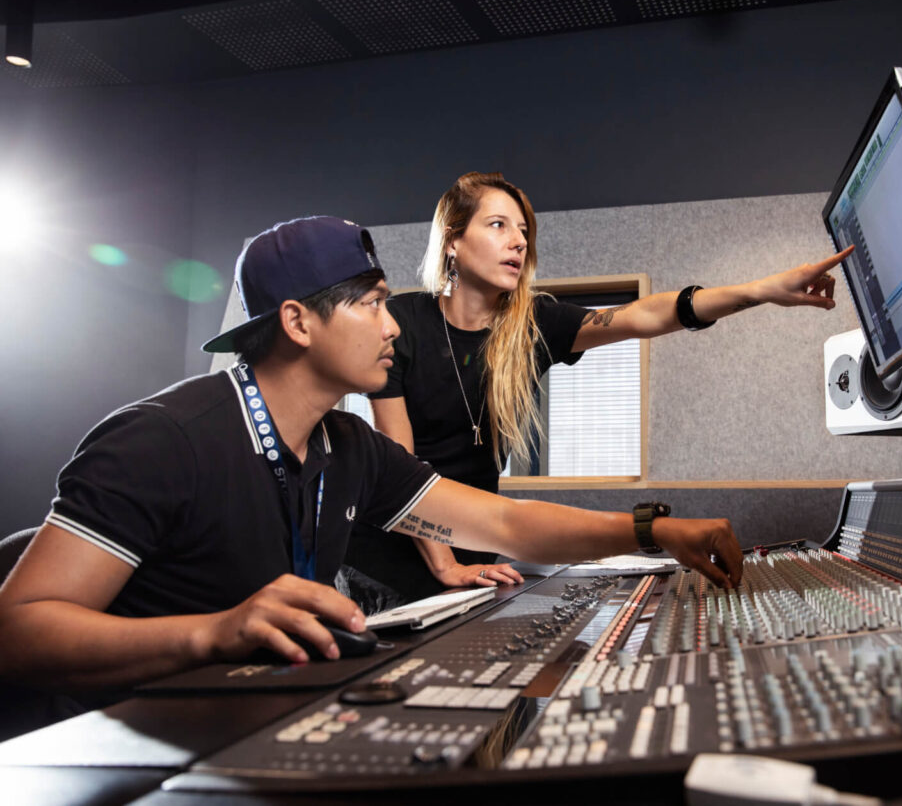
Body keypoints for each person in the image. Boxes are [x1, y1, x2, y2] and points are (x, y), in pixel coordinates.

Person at [0, 216, 742, 704]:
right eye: (371, 303)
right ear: (296, 321)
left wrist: (653, 531)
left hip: (247, 724)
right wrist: (214, 630)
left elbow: (504, 523)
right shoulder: (161, 440)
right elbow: (20, 629)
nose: (393, 326)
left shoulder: (347, 447)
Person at [345, 172, 850, 601]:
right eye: (497, 225)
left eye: (523, 231)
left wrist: (760, 291)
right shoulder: (401, 323)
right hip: (390, 562)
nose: (518, 241)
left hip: (473, 559)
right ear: (452, 240)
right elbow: (401, 468)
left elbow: (643, 314)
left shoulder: (533, 324)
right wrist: (442, 562)